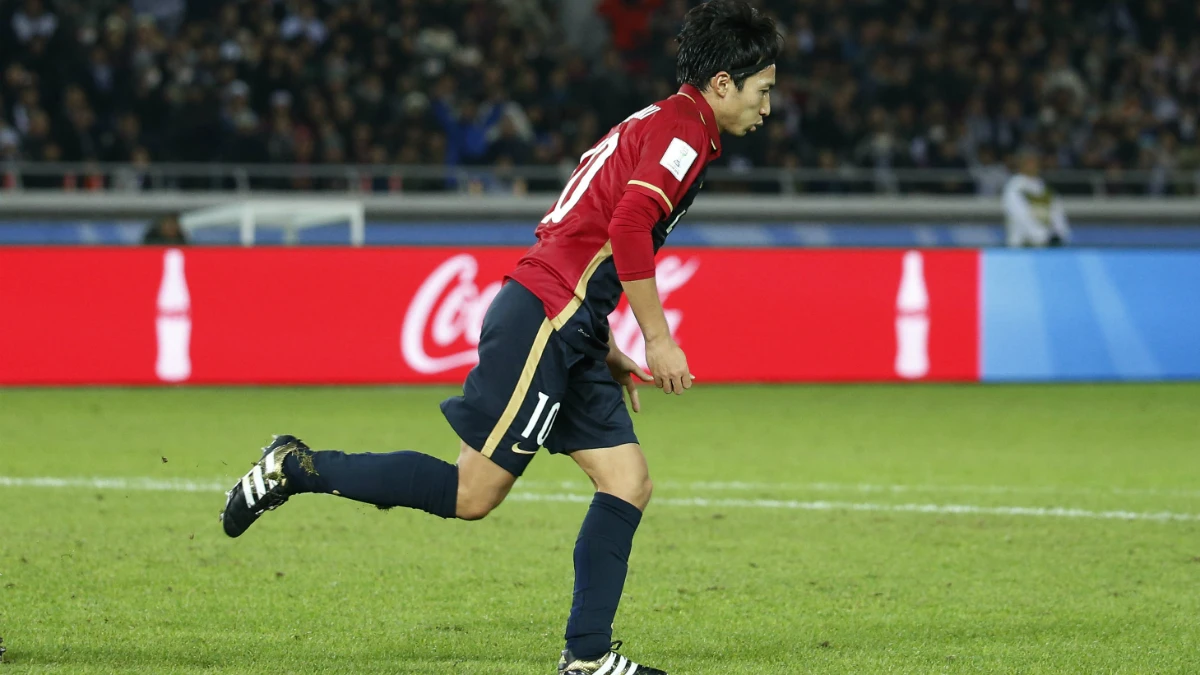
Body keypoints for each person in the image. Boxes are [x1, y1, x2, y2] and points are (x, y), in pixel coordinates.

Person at [218, 2, 779, 673]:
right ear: (722, 83)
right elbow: (628, 228)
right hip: (545, 315)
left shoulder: (662, 121)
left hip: (568, 322)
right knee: (472, 493)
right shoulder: (684, 131)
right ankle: (295, 466)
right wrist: (658, 338)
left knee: (626, 480)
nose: (769, 107)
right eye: (764, 90)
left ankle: (588, 658)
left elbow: (588, 233)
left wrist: (603, 346)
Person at [1003, 149, 1071, 247]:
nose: (1033, 165)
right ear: (1020, 164)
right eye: (1028, 162)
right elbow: (1021, 216)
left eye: (1035, 162)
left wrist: (1060, 235)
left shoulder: (1046, 189)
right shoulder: (1014, 187)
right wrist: (1043, 237)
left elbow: (1057, 214)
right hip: (1021, 246)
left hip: (1047, 246)